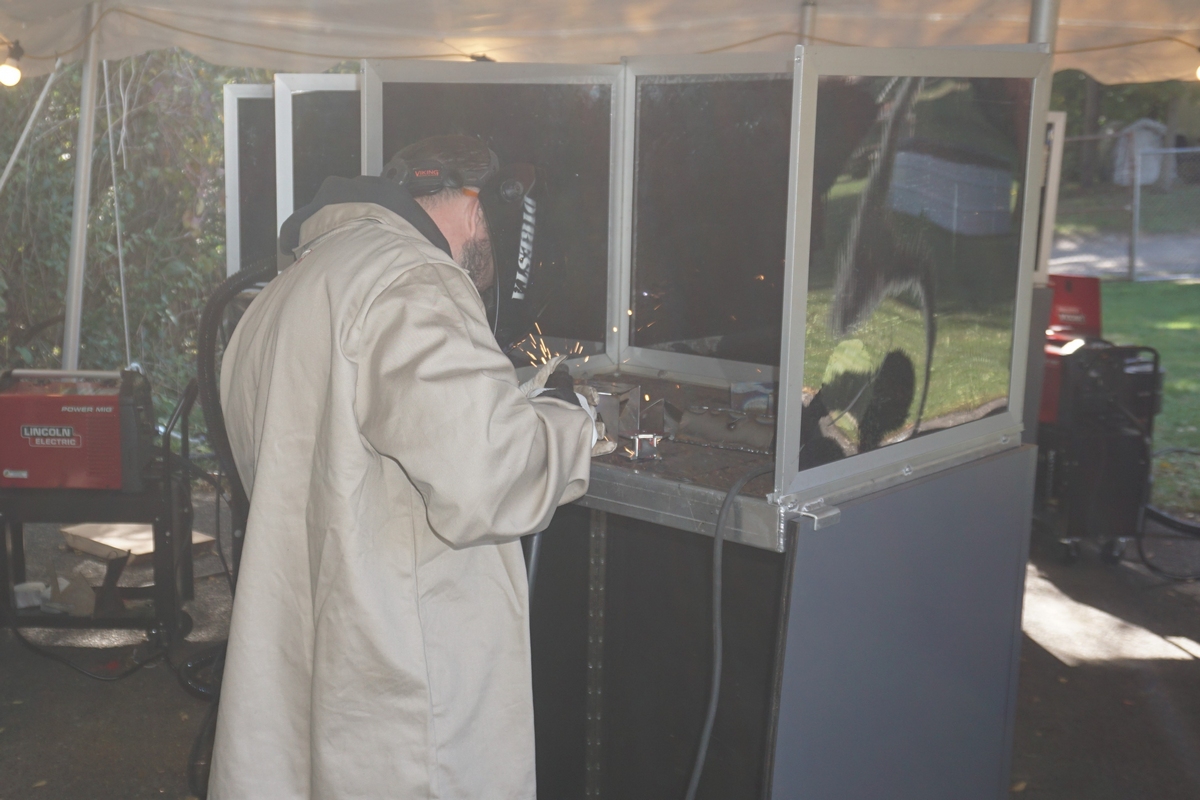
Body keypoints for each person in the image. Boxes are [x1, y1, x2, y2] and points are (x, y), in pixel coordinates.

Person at [208, 135, 600, 799]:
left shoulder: (288, 290)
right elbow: (490, 476)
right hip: (404, 704)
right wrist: (572, 420)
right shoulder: (415, 280)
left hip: (309, 670)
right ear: (480, 206)